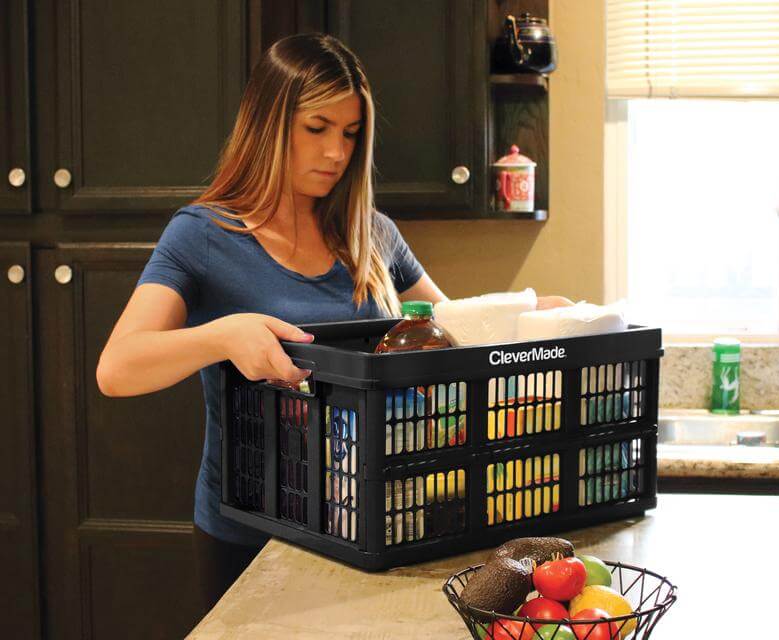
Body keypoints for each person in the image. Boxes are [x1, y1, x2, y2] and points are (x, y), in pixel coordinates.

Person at [95, 33, 573, 615]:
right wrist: (223, 334)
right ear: (269, 125)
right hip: (251, 532)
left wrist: (524, 313)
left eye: (350, 134)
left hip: (380, 518)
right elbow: (117, 368)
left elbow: (448, 333)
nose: (335, 153)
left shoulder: (373, 234)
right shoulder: (202, 236)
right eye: (316, 128)